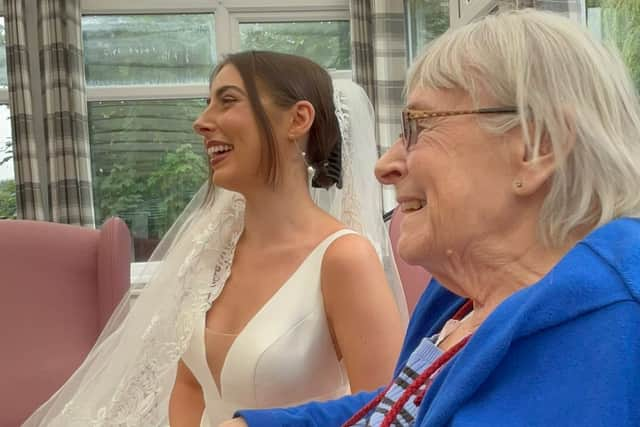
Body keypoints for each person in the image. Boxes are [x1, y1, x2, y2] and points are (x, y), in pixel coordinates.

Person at [226, 9, 640, 427]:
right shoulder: (465, 301)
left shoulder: (604, 330)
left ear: (537, 148)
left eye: (419, 126)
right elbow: (404, 402)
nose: (385, 164)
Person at [22, 52, 407, 427]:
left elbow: (384, 413)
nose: (201, 122)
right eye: (207, 104)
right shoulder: (212, 250)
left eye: (228, 101)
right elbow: (188, 387)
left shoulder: (344, 259)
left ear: (298, 119)